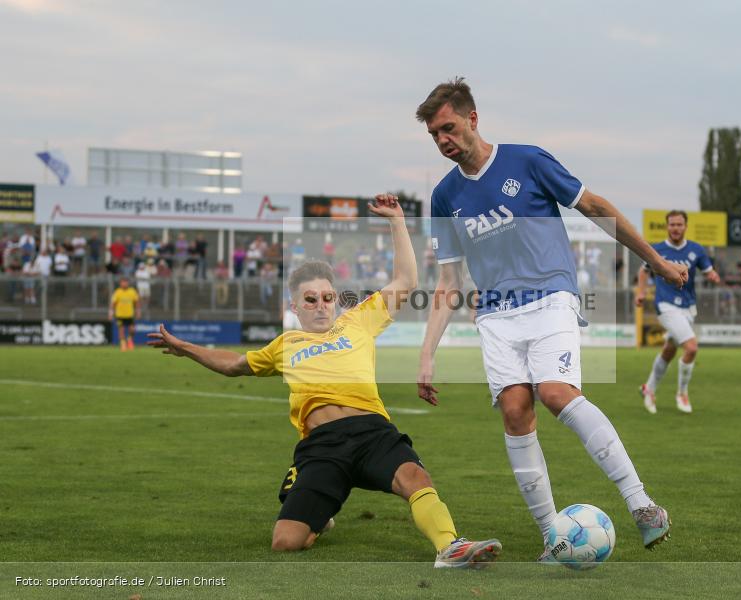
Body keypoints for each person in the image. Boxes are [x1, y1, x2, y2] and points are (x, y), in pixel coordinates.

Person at [148, 194, 501, 568]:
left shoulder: (359, 320)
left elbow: (406, 279)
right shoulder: (285, 345)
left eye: (327, 297)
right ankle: (318, 515)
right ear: (294, 306)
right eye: (311, 299)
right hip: (321, 447)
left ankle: (450, 547)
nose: (321, 305)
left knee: (415, 476)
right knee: (286, 542)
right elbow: (234, 364)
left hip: (372, 433)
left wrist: (397, 220)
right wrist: (187, 348)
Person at [414, 77, 687, 560]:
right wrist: (426, 356)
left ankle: (643, 505)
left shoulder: (529, 161)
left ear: (473, 119)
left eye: (449, 128)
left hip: (549, 297)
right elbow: (448, 283)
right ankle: (551, 536)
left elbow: (596, 208)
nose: (443, 141)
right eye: (435, 135)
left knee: (556, 393)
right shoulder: (444, 198)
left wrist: (658, 262)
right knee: (516, 411)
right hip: (496, 316)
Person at [636, 210, 721, 414]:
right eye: (672, 224)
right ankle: (682, 393)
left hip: (688, 308)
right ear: (667, 227)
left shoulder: (696, 250)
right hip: (665, 306)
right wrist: (641, 292)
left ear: (685, 226)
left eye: (679, 224)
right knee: (691, 348)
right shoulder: (656, 249)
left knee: (669, 350)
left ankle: (649, 389)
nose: (675, 228)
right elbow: (643, 270)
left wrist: (713, 276)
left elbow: (708, 270)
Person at [109, 277, 140, 352]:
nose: (124, 284)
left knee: (132, 330)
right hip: (120, 315)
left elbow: (136, 303)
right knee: (121, 330)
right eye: (123, 282)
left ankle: (129, 339)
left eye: (126, 282)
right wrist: (110, 313)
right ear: (120, 283)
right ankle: (123, 344)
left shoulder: (132, 292)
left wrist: (138, 311)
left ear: (128, 283)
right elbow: (113, 304)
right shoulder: (117, 292)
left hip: (130, 315)